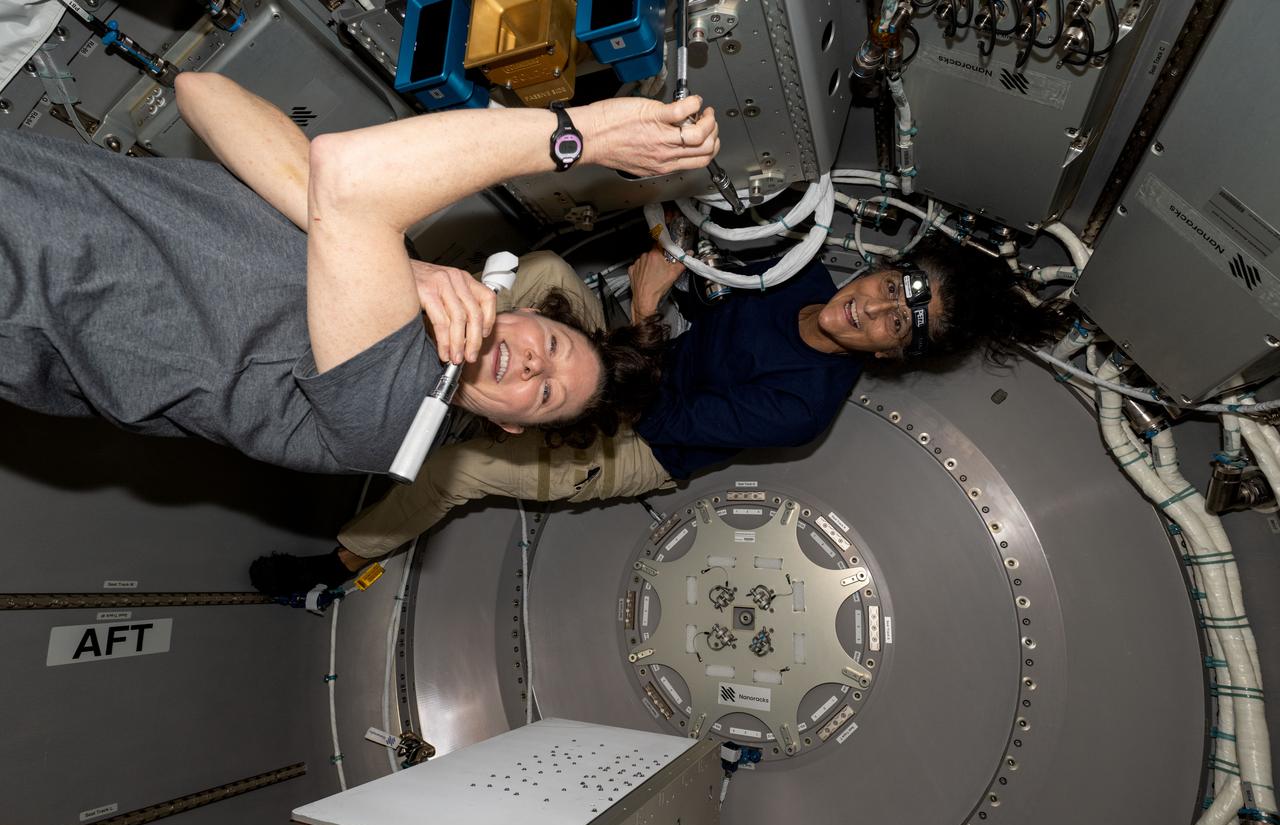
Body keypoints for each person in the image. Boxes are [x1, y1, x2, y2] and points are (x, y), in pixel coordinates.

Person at [251, 231, 1061, 594]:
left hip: (642, 438)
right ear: (880, 268)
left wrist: (643, 314)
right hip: (644, 359)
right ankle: (421, 352)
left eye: (895, 323)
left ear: (892, 354)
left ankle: (338, 561)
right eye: (888, 287)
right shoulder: (807, 276)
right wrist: (671, 284)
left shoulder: (801, 407)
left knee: (460, 471)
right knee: (540, 272)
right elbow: (713, 292)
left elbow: (658, 415)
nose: (872, 309)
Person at [0, 73, 718, 473]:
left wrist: (582, 133)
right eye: (553, 350)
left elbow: (346, 175)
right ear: (524, 315)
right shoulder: (389, 277)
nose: (532, 366)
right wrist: (399, 264)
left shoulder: (394, 419)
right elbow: (201, 93)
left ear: (503, 424)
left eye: (544, 395)